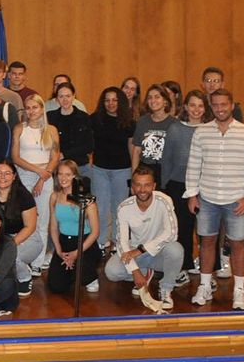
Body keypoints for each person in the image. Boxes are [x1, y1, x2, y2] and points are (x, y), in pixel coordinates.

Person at [186, 88, 244, 310]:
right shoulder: (201, 132)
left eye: (224, 105)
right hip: (207, 198)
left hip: (236, 200)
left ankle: (239, 291)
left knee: (238, 244)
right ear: (211, 107)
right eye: (216, 105)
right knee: (207, 242)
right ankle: (204, 286)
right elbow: (194, 165)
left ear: (232, 106)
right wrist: (192, 194)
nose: (220, 109)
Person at [105, 165, 181, 312]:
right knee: (111, 272)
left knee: (176, 250)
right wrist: (135, 271)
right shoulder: (124, 207)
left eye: (147, 185)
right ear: (132, 187)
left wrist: (141, 250)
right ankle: (144, 271)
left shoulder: (164, 201)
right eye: (138, 185)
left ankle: (166, 290)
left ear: (154, 186)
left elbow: (172, 233)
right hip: (135, 252)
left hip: (157, 251)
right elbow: (122, 243)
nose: (142, 189)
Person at [158, 89, 210, 285]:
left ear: (205, 109)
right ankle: (183, 267)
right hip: (178, 185)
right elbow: (167, 160)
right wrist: (164, 186)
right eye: (192, 105)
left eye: (200, 105)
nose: (196, 109)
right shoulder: (175, 129)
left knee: (207, 231)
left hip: (206, 186)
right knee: (182, 229)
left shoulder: (210, 129)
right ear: (186, 107)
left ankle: (208, 272)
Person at [12, 94, 59, 274]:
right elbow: (15, 157)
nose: (31, 111)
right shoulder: (20, 129)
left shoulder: (52, 130)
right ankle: (25, 258)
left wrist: (43, 176)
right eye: (28, 107)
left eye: (35, 107)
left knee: (43, 220)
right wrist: (37, 172)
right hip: (25, 175)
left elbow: (55, 156)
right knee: (27, 220)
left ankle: (38, 262)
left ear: (41, 109)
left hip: (46, 177)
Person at [0, 161, 41, 296]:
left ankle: (25, 277)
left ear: (14, 176)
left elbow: (30, 227)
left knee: (10, 255)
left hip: (27, 237)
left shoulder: (23, 195)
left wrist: (8, 245)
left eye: (7, 173)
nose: (3, 177)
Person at [90, 86, 135, 252]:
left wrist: (133, 172)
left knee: (120, 208)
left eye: (114, 100)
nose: (110, 103)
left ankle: (119, 242)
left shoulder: (129, 122)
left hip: (122, 171)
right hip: (100, 170)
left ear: (120, 102)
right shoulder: (95, 119)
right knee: (101, 208)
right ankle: (102, 241)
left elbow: (132, 148)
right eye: (107, 100)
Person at [46, 160, 101, 295]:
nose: (63, 178)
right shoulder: (54, 197)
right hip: (65, 241)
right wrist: (58, 251)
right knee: (56, 287)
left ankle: (90, 276)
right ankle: (71, 273)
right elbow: (53, 227)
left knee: (84, 276)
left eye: (68, 174)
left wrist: (76, 253)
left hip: (84, 242)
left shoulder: (87, 200)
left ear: (75, 176)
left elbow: (95, 232)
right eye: (60, 174)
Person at [131, 84, 178, 183]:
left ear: (165, 101)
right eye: (150, 98)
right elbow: (136, 151)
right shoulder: (142, 121)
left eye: (157, 97)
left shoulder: (174, 123)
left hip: (165, 171)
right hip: (145, 170)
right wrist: (134, 177)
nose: (153, 101)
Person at [49, 82, 94, 177]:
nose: (65, 100)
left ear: (74, 96)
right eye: (61, 96)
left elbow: (89, 146)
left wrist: (64, 154)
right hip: (59, 167)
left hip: (81, 167)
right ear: (57, 99)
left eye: (68, 96)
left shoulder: (84, 117)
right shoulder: (50, 117)